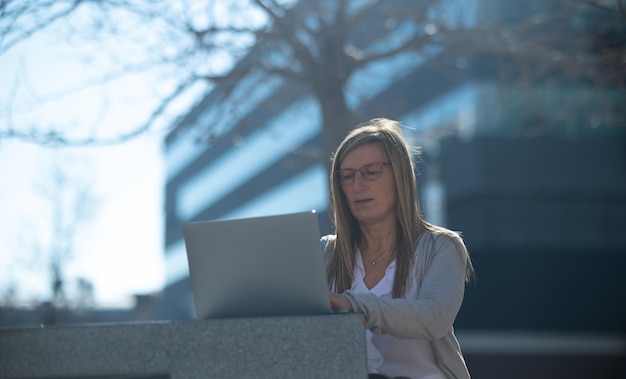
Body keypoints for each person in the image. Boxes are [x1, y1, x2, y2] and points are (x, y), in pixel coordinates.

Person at [322, 118, 474, 379]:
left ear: (400, 176)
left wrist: (352, 306)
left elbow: (432, 318)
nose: (357, 186)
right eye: (347, 176)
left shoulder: (441, 248)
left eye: (371, 172)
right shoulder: (326, 253)